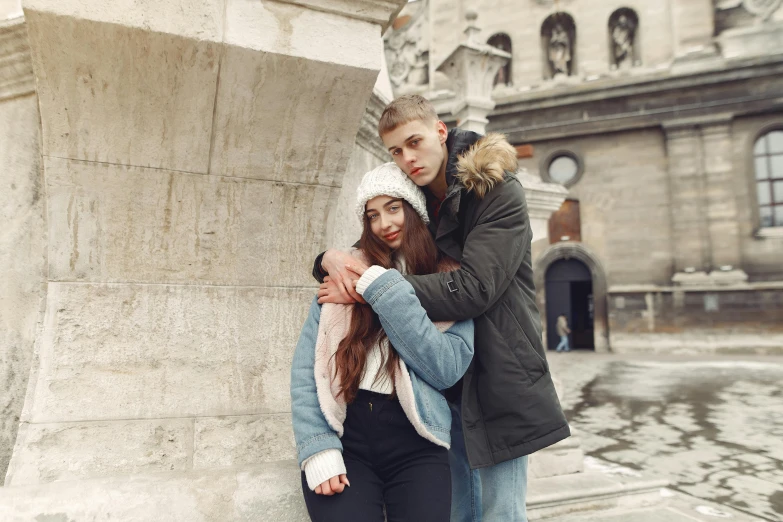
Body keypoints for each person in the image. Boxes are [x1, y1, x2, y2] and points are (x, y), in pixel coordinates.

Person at [313, 94, 570, 522]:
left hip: (498, 372)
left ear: (440, 131)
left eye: (415, 142)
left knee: (498, 513)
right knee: (455, 513)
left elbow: (474, 288)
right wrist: (326, 258)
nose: (408, 158)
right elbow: (374, 245)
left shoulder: (496, 190)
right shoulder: (412, 197)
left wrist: (375, 287)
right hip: (438, 381)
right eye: (396, 151)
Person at [291, 163, 475, 522]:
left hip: (418, 442)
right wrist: (317, 447)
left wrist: (382, 289)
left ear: (415, 210)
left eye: (394, 208)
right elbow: (307, 368)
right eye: (372, 215)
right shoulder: (346, 272)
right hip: (347, 437)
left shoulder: (450, 278)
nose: (384, 224)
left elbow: (447, 369)